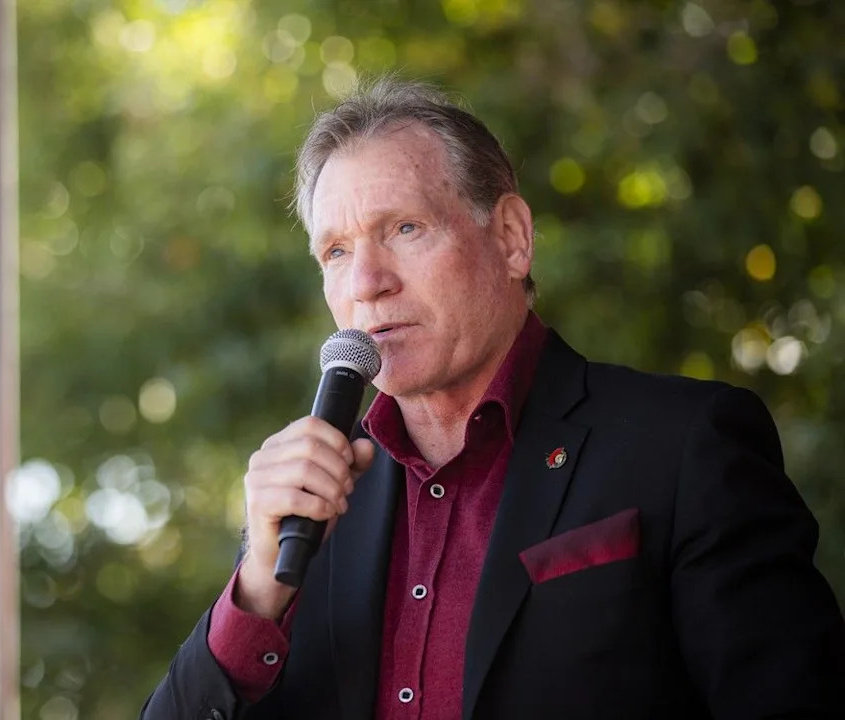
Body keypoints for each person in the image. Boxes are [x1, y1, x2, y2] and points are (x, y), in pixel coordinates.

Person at [141, 78, 845, 719]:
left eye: (404, 229)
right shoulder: (307, 511)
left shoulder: (685, 446)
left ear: (511, 238)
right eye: (336, 252)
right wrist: (257, 589)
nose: (366, 282)